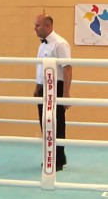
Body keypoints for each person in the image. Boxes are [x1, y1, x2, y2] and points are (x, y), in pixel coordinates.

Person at [33, 14, 72, 171]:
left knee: (57, 123)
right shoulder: (42, 45)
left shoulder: (60, 44)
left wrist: (66, 94)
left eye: (38, 25)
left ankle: (58, 159)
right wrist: (37, 88)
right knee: (45, 122)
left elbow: (67, 68)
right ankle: (52, 155)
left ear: (48, 26)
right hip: (44, 86)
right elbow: (40, 68)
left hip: (57, 86)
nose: (34, 28)